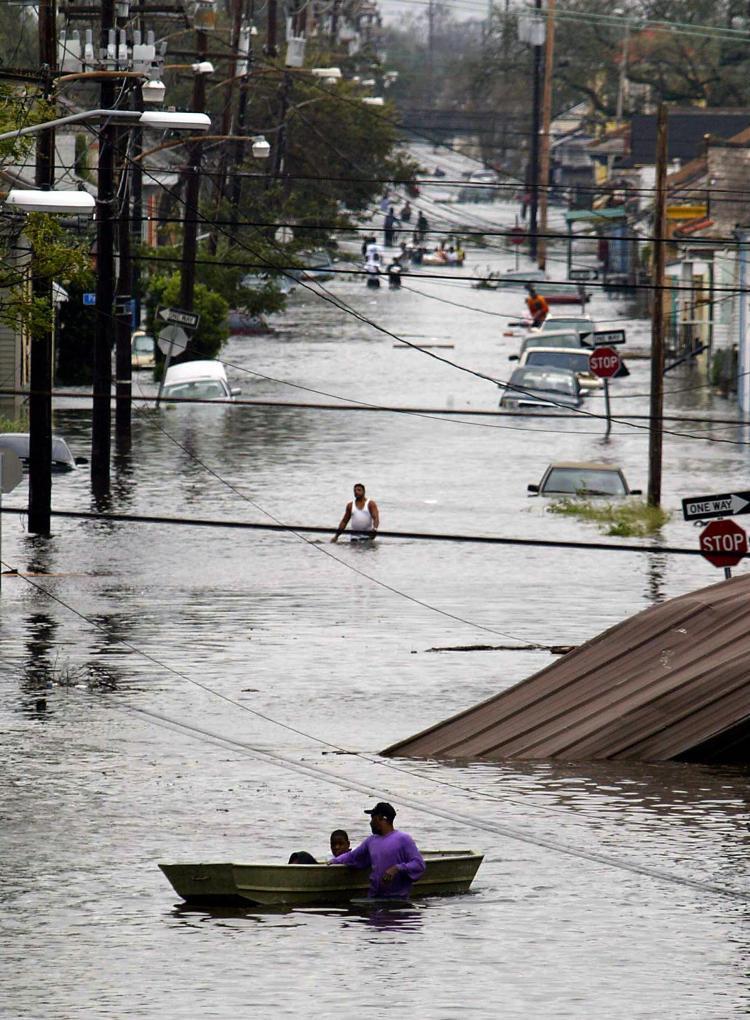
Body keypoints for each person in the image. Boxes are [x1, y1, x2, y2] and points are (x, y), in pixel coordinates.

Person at [328, 802, 425, 900]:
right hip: (375, 896)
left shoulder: (403, 839)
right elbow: (353, 856)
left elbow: (419, 864)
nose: (370, 823)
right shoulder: (371, 841)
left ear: (381, 818)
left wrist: (396, 868)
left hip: (397, 898)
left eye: (372, 818)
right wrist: (334, 861)